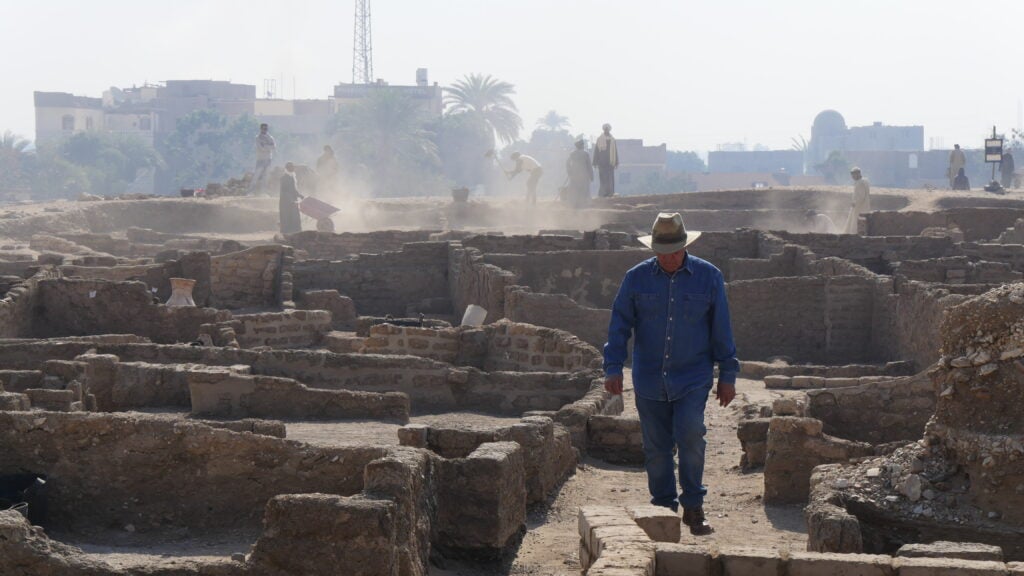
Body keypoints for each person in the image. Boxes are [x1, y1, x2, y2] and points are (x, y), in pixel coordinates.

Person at [603, 212, 738, 536]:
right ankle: (663, 509)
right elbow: (619, 325)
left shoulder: (709, 277)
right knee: (656, 447)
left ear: (685, 246)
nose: (669, 258)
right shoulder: (636, 279)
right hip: (649, 378)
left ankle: (693, 505)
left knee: (691, 434)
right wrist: (613, 366)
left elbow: (721, 329)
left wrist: (728, 374)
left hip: (693, 376)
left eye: (675, 252)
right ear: (653, 250)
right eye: (663, 253)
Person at [565, 139, 593, 207]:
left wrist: (569, 171)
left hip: (574, 175)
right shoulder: (586, 154)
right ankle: (583, 204)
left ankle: (574, 204)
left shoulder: (572, 153)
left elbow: (567, 163)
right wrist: (591, 176)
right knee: (584, 190)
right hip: (584, 175)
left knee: (574, 189)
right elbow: (589, 166)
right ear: (582, 146)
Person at [249, 123, 277, 194]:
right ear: (261, 129)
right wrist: (268, 146)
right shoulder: (258, 138)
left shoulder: (270, 137)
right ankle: (250, 192)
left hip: (268, 159)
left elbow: (274, 147)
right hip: (260, 159)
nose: (265, 130)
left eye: (266, 129)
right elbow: (261, 148)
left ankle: (263, 192)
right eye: (263, 128)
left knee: (266, 176)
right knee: (256, 176)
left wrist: (265, 146)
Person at [593, 123, 619, 198]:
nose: (606, 130)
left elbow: (615, 151)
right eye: (605, 129)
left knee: (610, 178)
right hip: (602, 162)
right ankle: (602, 194)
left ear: (609, 130)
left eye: (607, 129)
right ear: (603, 129)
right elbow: (596, 151)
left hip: (610, 163)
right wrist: (595, 162)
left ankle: (610, 193)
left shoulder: (613, 140)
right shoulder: (599, 139)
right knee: (603, 178)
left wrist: (616, 162)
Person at [279, 162, 304, 235]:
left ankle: (295, 232)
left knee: (294, 217)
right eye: (291, 167)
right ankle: (287, 233)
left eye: (293, 167)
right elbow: (284, 191)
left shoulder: (292, 177)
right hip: (286, 202)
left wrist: (300, 195)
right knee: (287, 217)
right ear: (287, 168)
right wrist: (291, 200)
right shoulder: (284, 178)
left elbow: (294, 190)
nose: (293, 168)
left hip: (293, 201)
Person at [844, 167, 870, 234]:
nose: (852, 177)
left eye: (853, 175)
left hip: (859, 207)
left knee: (855, 223)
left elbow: (861, 196)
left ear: (857, 174)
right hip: (863, 207)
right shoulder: (865, 181)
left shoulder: (860, 183)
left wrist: (854, 203)